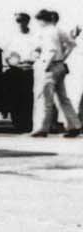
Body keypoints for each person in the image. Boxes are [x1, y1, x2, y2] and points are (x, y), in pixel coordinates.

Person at [31, 9, 81, 138]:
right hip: (59, 66)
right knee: (63, 98)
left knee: (44, 98)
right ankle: (74, 125)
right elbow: (72, 44)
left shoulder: (46, 32)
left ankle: (42, 128)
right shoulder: (58, 29)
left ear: (41, 20)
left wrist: (45, 66)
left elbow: (51, 50)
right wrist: (63, 58)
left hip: (49, 66)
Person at [4, 12, 37, 133]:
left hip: (29, 69)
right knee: (15, 97)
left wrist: (32, 60)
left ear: (27, 21)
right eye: (17, 21)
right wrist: (10, 61)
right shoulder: (12, 36)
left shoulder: (34, 36)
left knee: (28, 97)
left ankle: (27, 123)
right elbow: (6, 53)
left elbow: (37, 51)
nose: (19, 23)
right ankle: (17, 123)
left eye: (21, 20)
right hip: (15, 69)